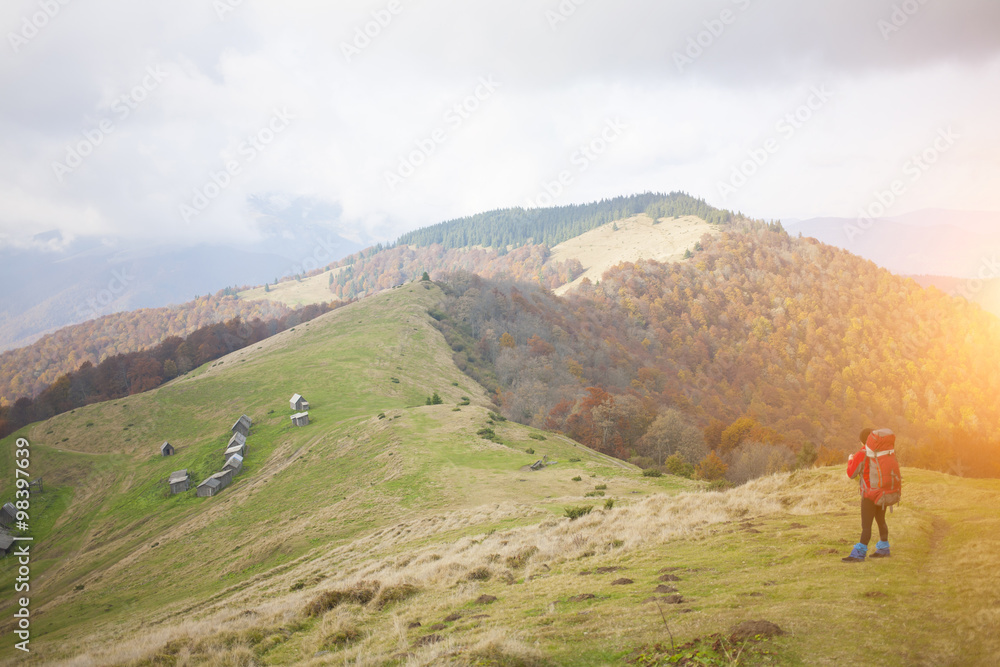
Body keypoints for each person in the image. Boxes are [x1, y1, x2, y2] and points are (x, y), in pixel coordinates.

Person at [842, 428, 891, 562]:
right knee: (881, 521)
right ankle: (884, 548)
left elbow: (851, 474)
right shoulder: (884, 452)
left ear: (862, 441)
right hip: (883, 492)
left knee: (866, 526)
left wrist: (850, 460)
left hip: (869, 494)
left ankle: (859, 553)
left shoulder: (862, 453)